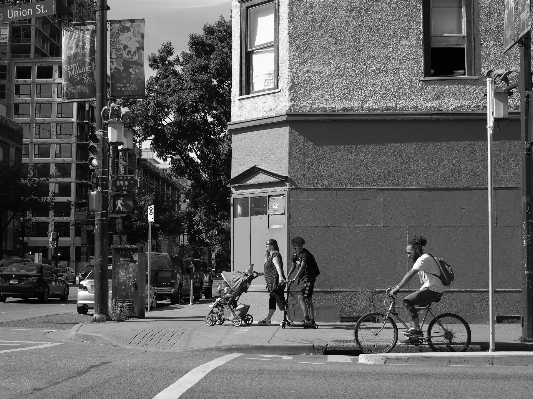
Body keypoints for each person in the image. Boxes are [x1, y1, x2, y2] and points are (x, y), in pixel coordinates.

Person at [389, 235, 445, 342]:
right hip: (432, 289)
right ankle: (414, 338)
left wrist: (397, 288)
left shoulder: (423, 258)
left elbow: (410, 274)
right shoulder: (424, 259)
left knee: (407, 301)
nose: (408, 256)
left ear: (417, 250)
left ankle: (415, 330)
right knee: (413, 311)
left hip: (433, 290)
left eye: (409, 253)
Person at [287, 236, 317, 326]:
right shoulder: (295, 254)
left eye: (301, 245)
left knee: (302, 297)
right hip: (304, 280)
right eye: (298, 245)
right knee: (308, 299)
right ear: (294, 246)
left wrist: (294, 278)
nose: (300, 247)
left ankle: (308, 319)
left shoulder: (305, 254)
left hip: (309, 278)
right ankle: (311, 320)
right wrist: (287, 277)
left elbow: (303, 266)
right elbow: (293, 266)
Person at [258, 239, 287, 325]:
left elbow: (278, 266)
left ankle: (289, 318)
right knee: (272, 301)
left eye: (267, 245)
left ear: (272, 245)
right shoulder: (269, 256)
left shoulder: (275, 254)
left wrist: (281, 277)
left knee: (281, 301)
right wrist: (258, 274)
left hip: (276, 283)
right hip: (271, 284)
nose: (266, 246)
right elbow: (269, 270)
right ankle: (268, 319)